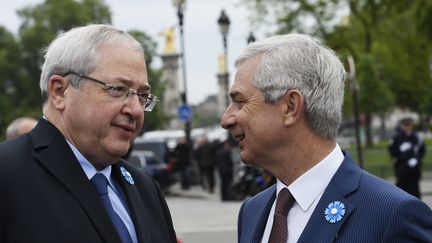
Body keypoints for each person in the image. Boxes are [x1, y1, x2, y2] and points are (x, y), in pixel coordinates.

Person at [220, 34, 432, 243]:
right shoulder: (252, 211)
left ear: (291, 107)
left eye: (240, 102)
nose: (226, 119)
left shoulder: (392, 215)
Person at [0, 24, 177, 243]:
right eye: (118, 89)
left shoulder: (145, 187)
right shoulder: (7, 174)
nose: (136, 110)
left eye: (142, 95)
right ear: (59, 91)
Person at [388, 117, 426, 198]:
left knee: (414, 187)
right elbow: (392, 151)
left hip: (414, 167)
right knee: (401, 187)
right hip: (402, 166)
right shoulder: (396, 138)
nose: (407, 127)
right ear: (401, 126)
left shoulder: (416, 137)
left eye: (409, 125)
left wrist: (416, 159)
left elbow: (422, 150)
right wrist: (399, 150)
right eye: (405, 125)